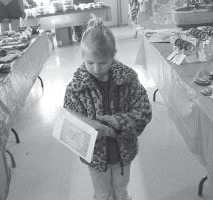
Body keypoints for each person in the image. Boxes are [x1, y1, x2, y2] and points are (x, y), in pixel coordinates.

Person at [63, 17, 152, 200]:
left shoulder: (128, 80)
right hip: (95, 158)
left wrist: (118, 123)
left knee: (120, 191)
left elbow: (144, 111)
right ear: (83, 57)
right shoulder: (76, 87)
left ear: (113, 55)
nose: (96, 68)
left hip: (123, 154)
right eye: (90, 62)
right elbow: (68, 118)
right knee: (102, 194)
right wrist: (88, 129)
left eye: (103, 62)